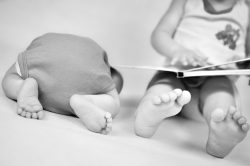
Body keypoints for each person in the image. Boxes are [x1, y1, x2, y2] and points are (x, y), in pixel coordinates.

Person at [134, 0, 250, 158]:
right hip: (178, 72)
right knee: (163, 87)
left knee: (222, 98)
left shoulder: (246, 9)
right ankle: (148, 116)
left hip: (216, 79)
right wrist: (176, 50)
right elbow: (159, 35)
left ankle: (221, 134)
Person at [2, 33, 123, 135]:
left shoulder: (91, 47)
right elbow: (114, 95)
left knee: (9, 79)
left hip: (42, 54)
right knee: (114, 103)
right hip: (87, 75)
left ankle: (22, 87)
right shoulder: (102, 68)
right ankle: (84, 101)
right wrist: (111, 95)